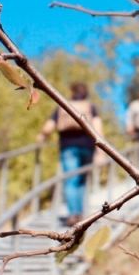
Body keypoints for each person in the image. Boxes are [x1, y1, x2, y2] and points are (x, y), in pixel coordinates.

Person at [36, 82, 104, 225]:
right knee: (81, 181)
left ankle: (74, 214)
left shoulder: (63, 107)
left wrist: (42, 137)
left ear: (72, 93)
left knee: (71, 180)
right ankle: (80, 213)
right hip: (87, 147)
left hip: (68, 147)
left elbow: (48, 128)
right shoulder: (90, 107)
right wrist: (100, 152)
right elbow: (98, 127)